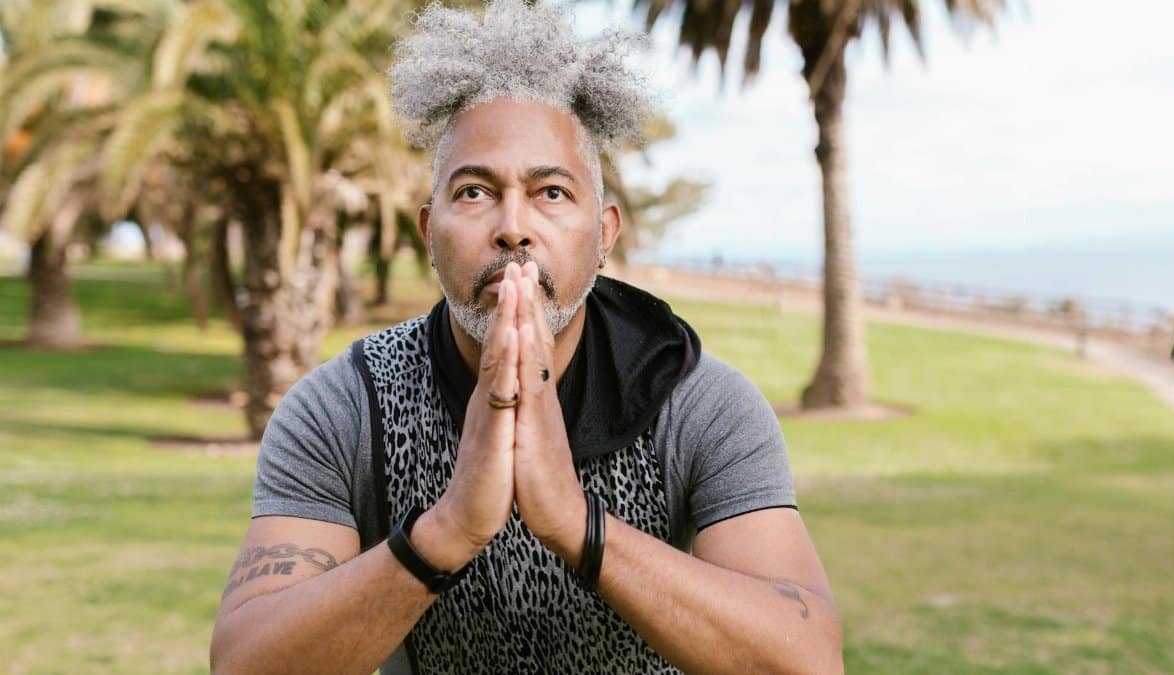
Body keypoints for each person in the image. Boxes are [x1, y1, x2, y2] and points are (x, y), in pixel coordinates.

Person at [209, 1, 842, 673]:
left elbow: (807, 661)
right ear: (428, 232)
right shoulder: (343, 405)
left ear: (604, 235)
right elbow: (245, 662)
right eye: (476, 193)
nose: (513, 227)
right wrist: (448, 530)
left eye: (551, 193)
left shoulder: (698, 403)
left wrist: (575, 523)